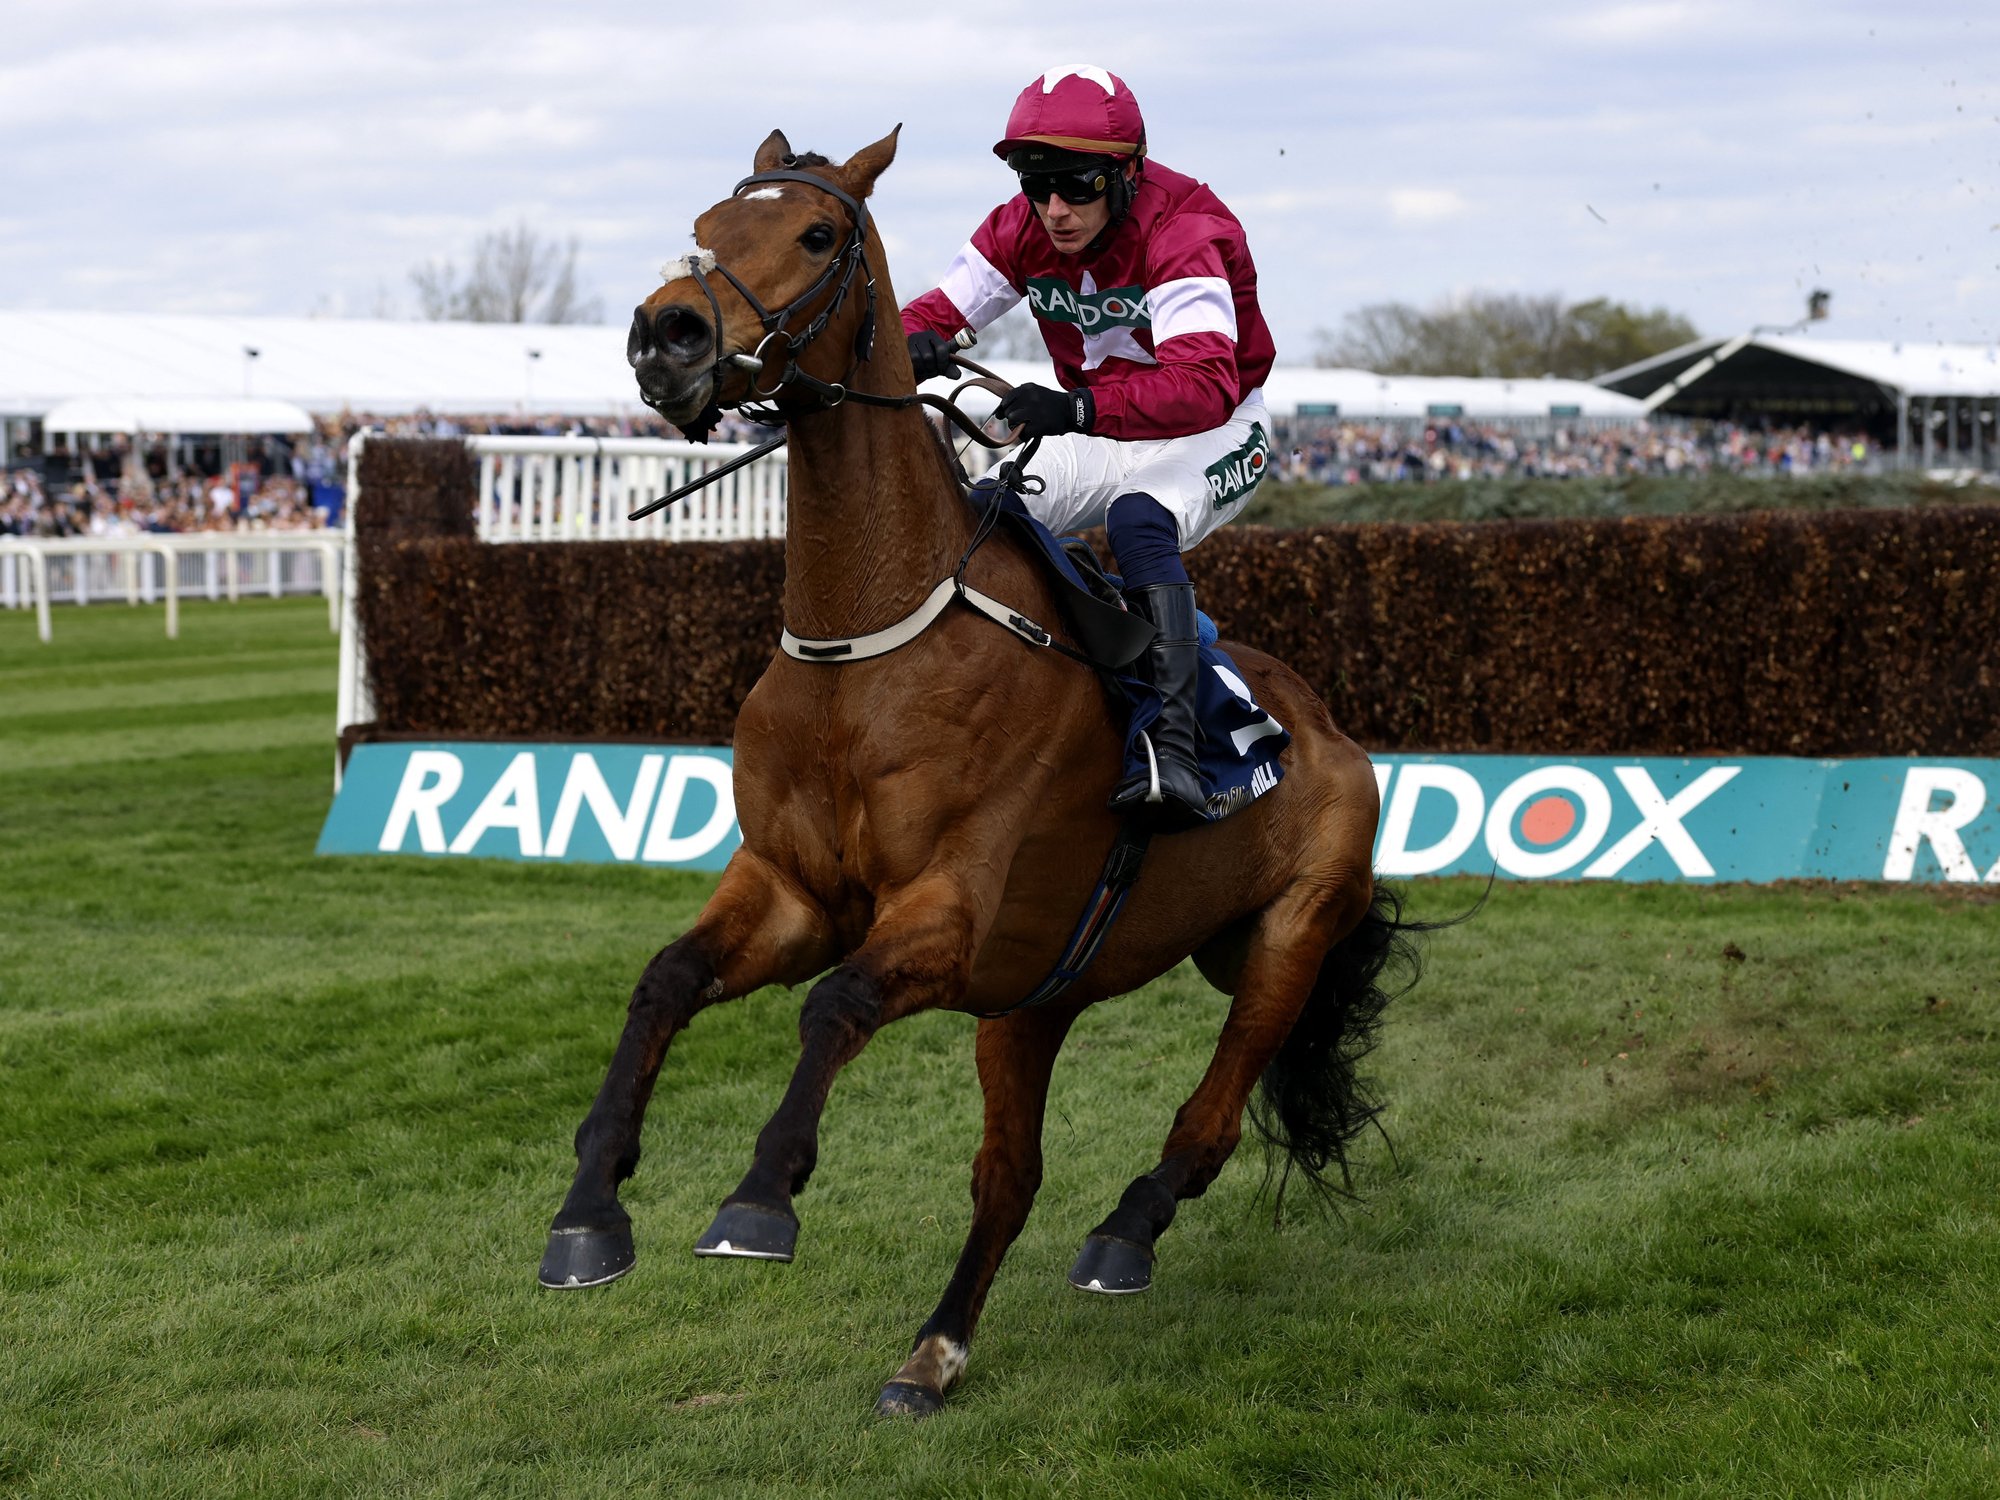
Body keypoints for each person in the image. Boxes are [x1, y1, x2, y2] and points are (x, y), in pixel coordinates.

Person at [901, 64, 1277, 829]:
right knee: (985, 513)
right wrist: (913, 343)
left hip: (1216, 426)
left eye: (1077, 188)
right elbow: (934, 310)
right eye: (1039, 188)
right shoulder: (1019, 227)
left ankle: (1178, 752)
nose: (1056, 211)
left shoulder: (1185, 229)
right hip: (1103, 424)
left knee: (1140, 519)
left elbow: (1203, 383)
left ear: (1126, 173)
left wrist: (1074, 404)